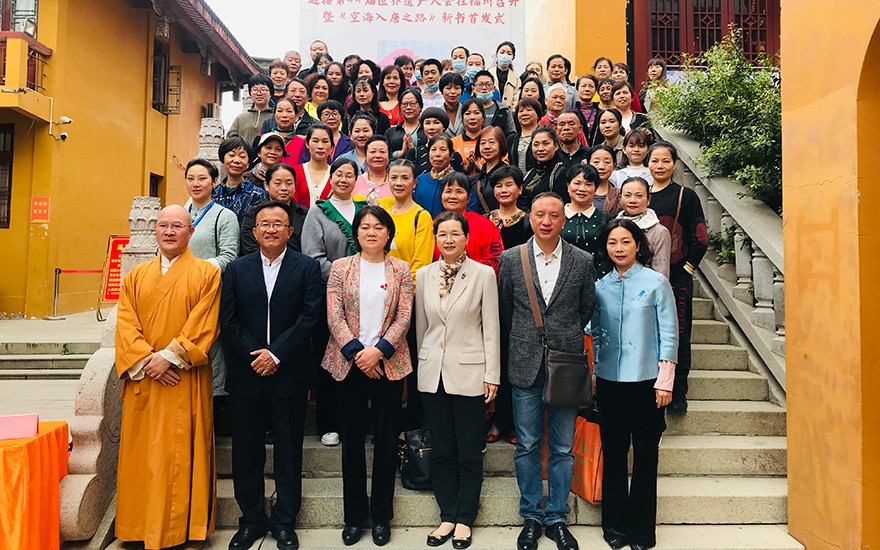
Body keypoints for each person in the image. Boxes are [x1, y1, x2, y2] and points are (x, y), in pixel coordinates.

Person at [115, 205, 221, 549]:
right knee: (142, 457)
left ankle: (180, 529)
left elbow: (205, 324)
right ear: (155, 230)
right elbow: (125, 323)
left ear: (191, 232)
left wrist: (169, 358)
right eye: (163, 225)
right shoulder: (136, 276)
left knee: (179, 454)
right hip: (145, 379)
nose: (170, 231)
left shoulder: (206, 274)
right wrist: (149, 360)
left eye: (178, 225)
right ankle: (137, 526)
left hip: (183, 379)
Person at [221, 201, 323, 550]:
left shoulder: (306, 267)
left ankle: (284, 521)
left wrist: (276, 353)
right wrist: (256, 355)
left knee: (288, 450)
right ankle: (251, 520)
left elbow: (310, 317)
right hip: (247, 373)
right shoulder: (236, 269)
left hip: (288, 373)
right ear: (254, 231)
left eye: (279, 223)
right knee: (246, 451)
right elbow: (228, 321)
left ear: (290, 231)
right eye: (264, 223)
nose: (271, 229)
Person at [497, 192, 596, 550]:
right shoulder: (512, 259)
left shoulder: (582, 260)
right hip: (524, 362)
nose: (546, 221)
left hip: (565, 364)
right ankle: (531, 515)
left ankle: (556, 516)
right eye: (540, 214)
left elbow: (586, 307)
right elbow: (506, 309)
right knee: (526, 444)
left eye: (554, 215)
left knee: (563, 446)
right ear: (530, 217)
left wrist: (563, 336)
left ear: (563, 220)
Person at [323, 206, 414, 547]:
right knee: (352, 441)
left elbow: (404, 315)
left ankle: (381, 516)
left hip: (387, 363)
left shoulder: (400, 269)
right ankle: (354, 517)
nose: (371, 232)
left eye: (378, 227)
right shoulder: (340, 268)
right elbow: (334, 314)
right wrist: (358, 353)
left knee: (387, 440)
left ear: (388, 233)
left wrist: (379, 351)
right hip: (350, 364)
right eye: (365, 227)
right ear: (356, 233)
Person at [415, 211, 501, 550]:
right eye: (442, 234)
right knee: (441, 449)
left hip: (470, 372)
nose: (448, 240)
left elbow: (490, 327)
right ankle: (447, 514)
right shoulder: (425, 275)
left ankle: (465, 518)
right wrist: (423, 364)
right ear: (435, 239)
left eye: (455, 234)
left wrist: (492, 374)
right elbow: (422, 328)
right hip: (432, 374)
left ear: (466, 238)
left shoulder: (482, 274)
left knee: (468, 450)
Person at [592, 218, 678, 550]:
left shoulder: (656, 282)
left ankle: (642, 531)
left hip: (647, 383)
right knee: (614, 454)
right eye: (613, 242)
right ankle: (614, 526)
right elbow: (594, 332)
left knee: (645, 456)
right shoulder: (600, 287)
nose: (619, 248)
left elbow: (669, 333)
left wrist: (665, 381)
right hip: (610, 381)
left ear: (638, 245)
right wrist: (595, 372)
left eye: (626, 241)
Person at [302, 158, 369, 447]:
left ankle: (356, 422)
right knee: (330, 359)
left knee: (362, 356)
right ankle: (328, 423)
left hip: (366, 298)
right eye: (338, 174)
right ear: (331, 177)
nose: (343, 179)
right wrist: (349, 277)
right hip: (329, 296)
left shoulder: (365, 209)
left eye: (349, 175)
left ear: (357, 179)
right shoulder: (318, 212)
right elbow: (313, 257)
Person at [647, 142, 708, 414]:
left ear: (674, 164)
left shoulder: (686, 196)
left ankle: (678, 391)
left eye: (665, 161)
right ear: (647, 163)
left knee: (679, 334)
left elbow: (700, 236)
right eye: (655, 161)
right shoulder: (641, 194)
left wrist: (687, 267)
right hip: (644, 278)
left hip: (676, 278)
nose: (660, 166)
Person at [183, 159, 240, 415]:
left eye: (202, 178)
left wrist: (197, 270)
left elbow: (229, 256)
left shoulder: (224, 216)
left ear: (215, 182)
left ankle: (215, 398)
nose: (196, 184)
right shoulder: (179, 214)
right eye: (191, 178)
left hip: (210, 291)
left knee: (210, 345)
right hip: (181, 292)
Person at [485, 165, 531, 446]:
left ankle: (514, 422)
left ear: (520, 189)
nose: (503, 190)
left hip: (518, 297)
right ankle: (497, 419)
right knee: (495, 357)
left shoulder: (528, 222)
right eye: (498, 186)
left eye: (509, 185)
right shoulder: (484, 220)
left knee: (515, 358)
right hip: (488, 294)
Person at [440, 173, 504, 275]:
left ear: (469, 197)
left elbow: (496, 260)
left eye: (459, 191)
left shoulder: (485, 225)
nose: (453, 196)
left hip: (476, 281)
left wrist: (465, 272)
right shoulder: (434, 226)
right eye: (448, 191)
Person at [240, 164, 310, 256]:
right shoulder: (252, 213)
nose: (284, 188)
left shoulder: (306, 215)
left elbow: (309, 248)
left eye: (289, 183)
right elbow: (249, 248)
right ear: (266, 185)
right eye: (277, 183)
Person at [560, 164, 612, 275]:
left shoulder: (605, 219)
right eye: (577, 183)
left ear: (595, 189)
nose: (582, 189)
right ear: (568, 186)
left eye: (588, 184)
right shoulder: (557, 216)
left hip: (597, 278)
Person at [617, 176, 671, 280]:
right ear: (620, 198)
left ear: (648, 200)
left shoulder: (659, 232)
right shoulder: (612, 226)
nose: (632, 200)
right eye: (627, 195)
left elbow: (661, 274)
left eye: (639, 196)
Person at [414, 135, 473, 217]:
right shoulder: (420, 180)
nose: (437, 154)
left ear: (451, 155)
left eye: (443, 150)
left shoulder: (462, 181)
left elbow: (470, 211)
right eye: (433, 149)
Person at [214, 137, 268, 222]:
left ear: (248, 164)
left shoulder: (258, 195)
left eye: (242, 156)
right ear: (222, 161)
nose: (237, 160)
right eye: (231, 155)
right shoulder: (214, 194)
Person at [520, 125, 568, 208]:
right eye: (536, 145)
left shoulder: (561, 173)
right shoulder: (530, 173)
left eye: (545, 144)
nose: (540, 149)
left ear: (556, 146)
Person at [407, 108, 465, 177]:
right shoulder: (414, 153)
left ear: (444, 126)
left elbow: (460, 180)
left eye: (436, 123)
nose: (431, 127)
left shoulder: (454, 155)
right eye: (427, 123)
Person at [292, 123, 334, 207]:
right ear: (307, 144)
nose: (320, 146)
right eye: (315, 141)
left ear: (331, 146)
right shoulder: (295, 172)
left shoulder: (336, 175)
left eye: (325, 141)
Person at [229, 74, 274, 147]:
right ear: (250, 93)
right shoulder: (241, 118)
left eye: (263, 90)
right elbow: (230, 140)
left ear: (271, 93)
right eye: (255, 90)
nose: (259, 93)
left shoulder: (275, 117)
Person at [472, 126, 510, 213]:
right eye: (482, 143)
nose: (487, 147)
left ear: (501, 145)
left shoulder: (509, 175)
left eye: (492, 142)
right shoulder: (474, 180)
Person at [473, 70, 517, 143]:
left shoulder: (503, 109)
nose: (484, 88)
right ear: (474, 88)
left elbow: (511, 133)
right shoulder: (468, 109)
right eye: (480, 85)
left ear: (494, 88)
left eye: (488, 84)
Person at [385, 88, 425, 160]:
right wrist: (401, 153)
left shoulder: (426, 130)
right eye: (404, 104)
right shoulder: (391, 132)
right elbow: (385, 154)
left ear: (420, 106)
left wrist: (413, 151)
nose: (408, 107)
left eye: (413, 103)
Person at [265, 98, 308, 164]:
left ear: (296, 115)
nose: (284, 115)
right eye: (280, 111)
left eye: (289, 111)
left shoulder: (302, 143)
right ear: (274, 114)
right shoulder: (263, 140)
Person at [352, 135, 391, 203]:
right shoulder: (354, 182)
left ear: (389, 156)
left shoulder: (395, 183)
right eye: (373, 152)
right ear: (365, 156)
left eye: (382, 152)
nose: (378, 156)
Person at [451, 99, 485, 173]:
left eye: (476, 113)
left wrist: (482, 169)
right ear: (462, 118)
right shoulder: (452, 143)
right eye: (467, 113)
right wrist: (464, 170)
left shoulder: (492, 142)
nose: (472, 117)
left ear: (483, 118)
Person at [510, 97, 541, 174]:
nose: (524, 113)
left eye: (529, 110)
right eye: (521, 111)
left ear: (538, 114)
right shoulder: (512, 139)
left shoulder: (545, 137)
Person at [588, 144, 622, 216]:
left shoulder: (619, 195)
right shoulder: (579, 192)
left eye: (607, 162)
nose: (601, 167)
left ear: (614, 166)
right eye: (596, 162)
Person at [489, 41, 521, 110]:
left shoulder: (516, 79)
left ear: (513, 57)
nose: (505, 55)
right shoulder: (488, 73)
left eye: (509, 54)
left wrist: (511, 112)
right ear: (496, 54)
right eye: (502, 52)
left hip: (508, 112)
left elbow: (516, 99)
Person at [574, 74, 600, 143]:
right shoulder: (571, 113)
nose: (587, 89)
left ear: (595, 90)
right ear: (577, 89)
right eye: (583, 86)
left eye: (591, 86)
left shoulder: (601, 113)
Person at [441, 72, 466, 137]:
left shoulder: (467, 111)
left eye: (457, 88)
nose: (453, 92)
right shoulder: (437, 113)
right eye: (448, 88)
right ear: (441, 91)